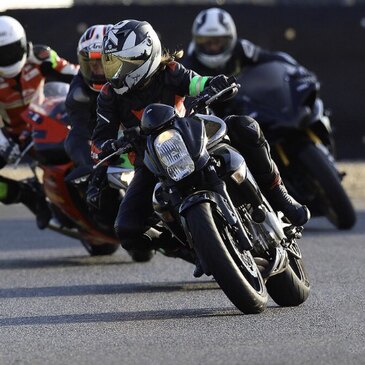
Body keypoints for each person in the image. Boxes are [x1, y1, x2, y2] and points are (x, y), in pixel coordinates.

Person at [91, 19, 310, 270]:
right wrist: (108, 147)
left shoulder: (169, 71)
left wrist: (215, 84)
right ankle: (191, 248)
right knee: (127, 228)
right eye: (112, 64)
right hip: (149, 161)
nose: (114, 72)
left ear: (143, 56)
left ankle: (281, 197)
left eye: (121, 64)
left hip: (191, 136)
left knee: (245, 126)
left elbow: (196, 82)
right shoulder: (108, 96)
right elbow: (99, 139)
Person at [0, 15, 78, 229]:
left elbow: (77, 74)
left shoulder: (42, 56)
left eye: (12, 50)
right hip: (14, 134)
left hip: (48, 119)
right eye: (1, 53)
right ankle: (27, 195)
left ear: (24, 45)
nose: (8, 58)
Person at [181, 7, 311, 117]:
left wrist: (297, 69)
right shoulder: (188, 65)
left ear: (231, 39)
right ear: (196, 40)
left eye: (219, 41)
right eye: (207, 42)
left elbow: (271, 57)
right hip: (213, 118)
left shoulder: (242, 48)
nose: (214, 47)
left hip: (245, 109)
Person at [64, 24, 121, 230]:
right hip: (102, 141)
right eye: (92, 65)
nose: (97, 71)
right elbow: (79, 131)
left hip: (134, 136)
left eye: (103, 63)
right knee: (73, 140)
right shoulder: (79, 93)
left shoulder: (133, 78)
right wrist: (91, 164)